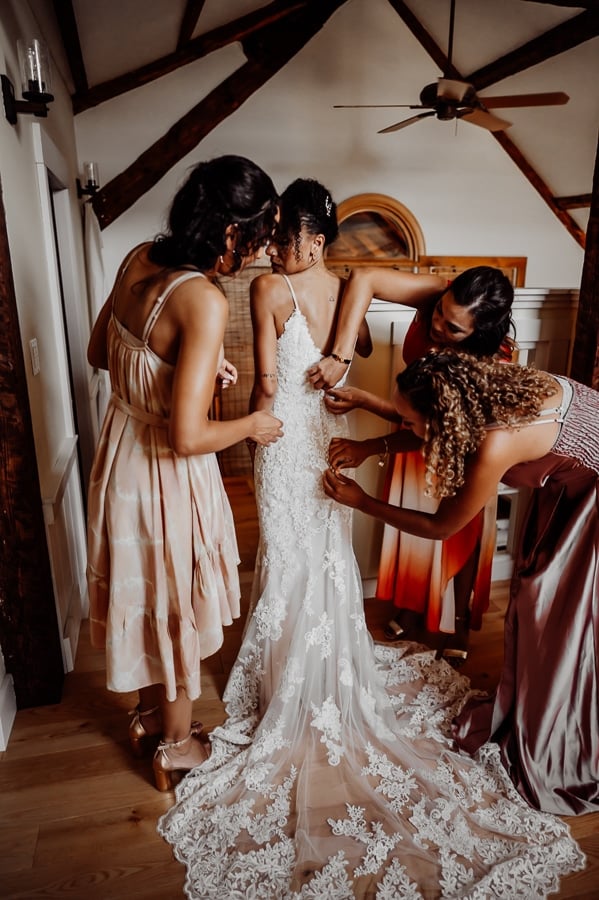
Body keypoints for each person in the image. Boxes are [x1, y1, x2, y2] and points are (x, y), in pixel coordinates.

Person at [157, 183, 583, 896]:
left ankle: (312, 670)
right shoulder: (379, 291)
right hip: (333, 424)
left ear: (306, 237)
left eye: (279, 237)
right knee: (315, 546)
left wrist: (254, 417)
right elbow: (355, 333)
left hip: (303, 432)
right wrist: (344, 372)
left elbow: (272, 385)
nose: (272, 249)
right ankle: (325, 660)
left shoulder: (271, 292)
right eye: (438, 323)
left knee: (305, 546)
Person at [325, 347, 599, 816]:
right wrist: (373, 448)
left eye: (410, 422)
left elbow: (440, 528)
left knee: (556, 618)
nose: (405, 426)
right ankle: (532, 707)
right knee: (535, 603)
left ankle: (563, 736)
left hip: (592, 506)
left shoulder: (498, 443)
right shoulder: (484, 391)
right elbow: (436, 431)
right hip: (571, 489)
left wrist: (363, 502)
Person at [86, 154, 283, 792]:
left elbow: (104, 351)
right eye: (255, 239)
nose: (257, 254)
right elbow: (188, 434)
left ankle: (146, 715)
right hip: (166, 475)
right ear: (230, 232)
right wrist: (252, 426)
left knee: (145, 594)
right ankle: (175, 746)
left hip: (119, 458)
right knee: (174, 602)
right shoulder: (200, 297)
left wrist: (180, 376)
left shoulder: (141, 255)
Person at [317, 265, 515, 664]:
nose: (438, 325)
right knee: (409, 514)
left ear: (480, 333)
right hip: (414, 421)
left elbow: (445, 431)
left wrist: (372, 443)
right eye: (439, 311)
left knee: (459, 528)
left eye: (453, 328)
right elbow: (363, 278)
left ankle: (458, 618)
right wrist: (342, 353)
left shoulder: (489, 368)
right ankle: (413, 601)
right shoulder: (434, 296)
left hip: (455, 440)